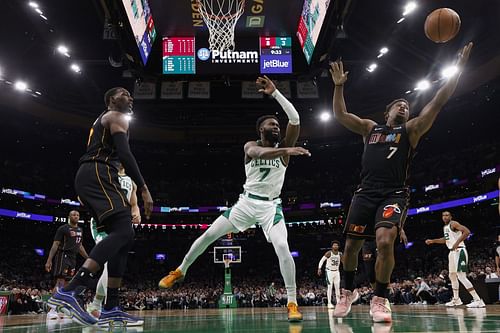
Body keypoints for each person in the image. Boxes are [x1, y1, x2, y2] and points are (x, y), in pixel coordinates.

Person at [329, 42, 473, 323]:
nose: (405, 106)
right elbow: (341, 116)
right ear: (388, 112)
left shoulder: (411, 130)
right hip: (365, 192)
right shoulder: (371, 128)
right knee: (351, 247)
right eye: (399, 104)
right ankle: (346, 292)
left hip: (394, 194)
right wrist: (338, 86)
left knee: (385, 241)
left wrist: (458, 70)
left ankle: (379, 299)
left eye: (407, 105)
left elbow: (438, 101)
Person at [158, 76, 310, 322]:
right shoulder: (252, 146)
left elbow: (295, 119)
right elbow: (258, 152)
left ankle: (292, 302)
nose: (277, 127)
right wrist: (287, 150)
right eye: (272, 124)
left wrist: (275, 94)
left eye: (277, 126)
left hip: (271, 206)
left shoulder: (284, 146)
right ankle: (179, 271)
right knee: (208, 235)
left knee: (283, 247)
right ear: (261, 129)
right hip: (246, 203)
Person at [48, 87, 153, 326]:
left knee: (125, 238)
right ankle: (70, 291)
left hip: (95, 176)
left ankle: (111, 307)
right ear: (111, 100)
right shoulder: (115, 116)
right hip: (99, 172)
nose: (131, 97)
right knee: (124, 231)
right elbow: (125, 154)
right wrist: (144, 188)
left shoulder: (107, 120)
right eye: (125, 93)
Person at [86, 165, 141, 320]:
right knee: (108, 262)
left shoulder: (131, 182)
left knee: (110, 266)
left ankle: (97, 305)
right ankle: (105, 307)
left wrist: (136, 213)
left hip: (121, 224)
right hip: (103, 223)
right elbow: (84, 195)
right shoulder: (105, 174)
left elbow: (134, 204)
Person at [425, 211, 485, 308]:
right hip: (452, 252)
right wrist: (433, 241)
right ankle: (456, 299)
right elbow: (446, 239)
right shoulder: (445, 227)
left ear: (451, 216)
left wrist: (457, 243)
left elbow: (467, 231)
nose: (445, 217)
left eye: (447, 215)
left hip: (459, 250)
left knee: (461, 276)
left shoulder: (454, 223)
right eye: (443, 215)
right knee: (452, 276)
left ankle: (478, 300)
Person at [45, 210, 88, 320]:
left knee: (68, 285)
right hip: (63, 256)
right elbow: (55, 244)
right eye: (74, 215)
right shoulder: (63, 228)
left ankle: (61, 309)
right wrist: (49, 260)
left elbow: (80, 246)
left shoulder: (80, 229)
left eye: (78, 215)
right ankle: (51, 310)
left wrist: (88, 258)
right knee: (60, 283)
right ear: (69, 216)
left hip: (73, 257)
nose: (76, 216)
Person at [317, 241, 342, 308]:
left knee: (337, 288)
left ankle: (338, 302)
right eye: (334, 245)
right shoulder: (329, 253)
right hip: (329, 272)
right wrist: (319, 268)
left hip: (337, 271)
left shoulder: (340, 254)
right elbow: (322, 260)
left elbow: (344, 262)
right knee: (330, 287)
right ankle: (329, 303)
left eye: (337, 245)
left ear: (338, 247)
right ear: (332, 246)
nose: (335, 246)